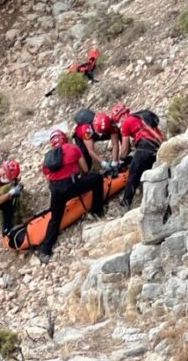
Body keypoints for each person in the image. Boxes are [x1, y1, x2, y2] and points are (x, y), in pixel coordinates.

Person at [38, 130, 104, 264]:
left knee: (55, 218)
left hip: (55, 190)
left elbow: (46, 175)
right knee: (97, 179)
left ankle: (45, 250)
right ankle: (97, 211)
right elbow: (85, 169)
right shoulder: (73, 148)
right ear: (65, 139)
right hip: (70, 186)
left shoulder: (48, 157)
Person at [115, 103, 165, 210]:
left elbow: (124, 149)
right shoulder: (140, 117)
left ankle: (125, 203)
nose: (118, 124)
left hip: (145, 146)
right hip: (160, 145)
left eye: (117, 122)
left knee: (133, 174)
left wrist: (120, 161)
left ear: (121, 117)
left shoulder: (126, 122)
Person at [71, 109, 121, 173]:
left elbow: (115, 144)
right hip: (82, 137)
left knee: (120, 132)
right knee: (85, 157)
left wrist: (114, 162)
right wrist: (103, 163)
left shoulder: (110, 123)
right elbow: (91, 151)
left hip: (99, 132)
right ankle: (85, 174)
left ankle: (125, 156)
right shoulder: (86, 130)